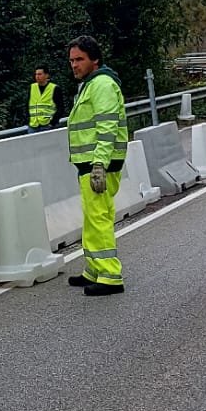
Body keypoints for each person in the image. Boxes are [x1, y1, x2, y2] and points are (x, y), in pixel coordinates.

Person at [65, 35, 128, 297]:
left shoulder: (100, 84)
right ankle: (94, 268)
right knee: (92, 218)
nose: (74, 65)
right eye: (72, 60)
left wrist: (99, 164)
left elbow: (106, 127)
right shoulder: (90, 84)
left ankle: (110, 275)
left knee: (99, 218)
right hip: (90, 163)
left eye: (80, 59)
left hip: (98, 163)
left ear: (95, 60)